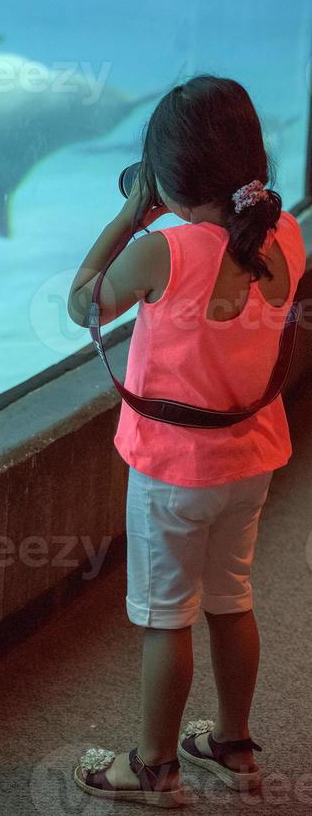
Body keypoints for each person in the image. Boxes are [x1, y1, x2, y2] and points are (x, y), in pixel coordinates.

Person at [67, 75, 307, 807]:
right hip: (251, 460)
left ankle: (153, 769)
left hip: (174, 474)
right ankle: (233, 748)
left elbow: (80, 302)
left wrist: (130, 212)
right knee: (231, 598)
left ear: (167, 177)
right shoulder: (288, 234)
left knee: (165, 617)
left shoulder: (163, 252)